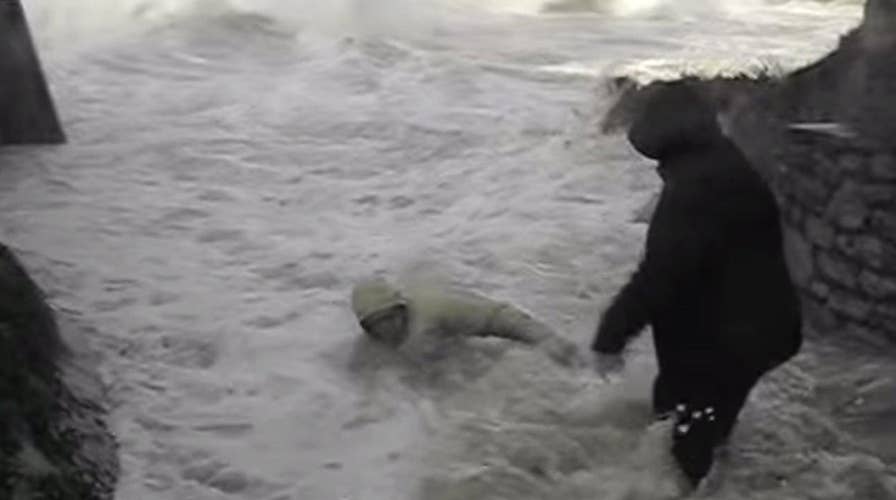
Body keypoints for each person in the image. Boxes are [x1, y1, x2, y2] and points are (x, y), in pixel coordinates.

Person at [590, 82, 803, 487]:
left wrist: (610, 336)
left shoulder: (696, 188)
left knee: (683, 457)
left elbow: (659, 276)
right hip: (755, 329)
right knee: (698, 430)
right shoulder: (718, 161)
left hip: (731, 342)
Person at [351, 277, 582, 367]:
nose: (386, 328)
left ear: (402, 309)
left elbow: (497, 317)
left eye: (390, 317)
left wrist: (547, 339)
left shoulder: (436, 308)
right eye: (376, 324)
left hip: (477, 363)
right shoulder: (370, 348)